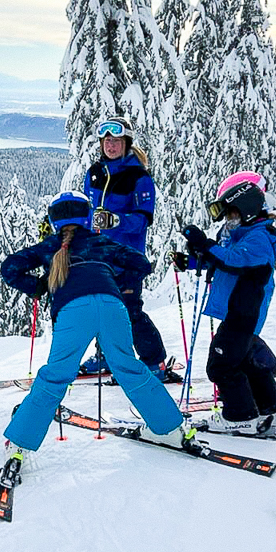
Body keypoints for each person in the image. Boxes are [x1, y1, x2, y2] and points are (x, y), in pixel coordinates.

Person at [0, 191, 193, 458]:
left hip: (73, 310)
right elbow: (141, 264)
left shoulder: (49, 246)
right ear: (88, 218)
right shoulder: (100, 242)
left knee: (56, 376)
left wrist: (38, 286)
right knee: (129, 368)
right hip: (113, 307)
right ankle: (169, 429)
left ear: (54, 220)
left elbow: (9, 268)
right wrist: (116, 281)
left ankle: (20, 442)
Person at [176, 171, 276, 435]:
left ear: (247, 210)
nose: (228, 221)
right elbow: (225, 261)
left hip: (243, 314)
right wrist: (193, 261)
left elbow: (233, 260)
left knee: (222, 364)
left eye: (230, 214)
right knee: (246, 361)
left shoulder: (257, 238)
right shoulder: (246, 236)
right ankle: (270, 409)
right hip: (240, 313)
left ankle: (240, 416)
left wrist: (203, 244)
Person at [81, 115, 179, 383]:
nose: (110, 146)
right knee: (101, 308)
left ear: (126, 143)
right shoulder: (94, 173)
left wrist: (115, 220)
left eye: (116, 140)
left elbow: (142, 220)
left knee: (130, 310)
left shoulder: (139, 177)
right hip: (98, 257)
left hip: (127, 259)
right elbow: (86, 212)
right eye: (106, 141)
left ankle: (154, 362)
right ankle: (106, 356)